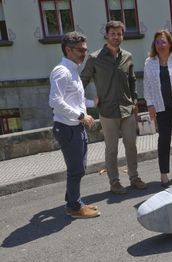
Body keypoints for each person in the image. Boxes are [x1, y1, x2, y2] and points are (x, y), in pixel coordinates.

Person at [81, 21, 146, 194]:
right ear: (107, 35)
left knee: (131, 145)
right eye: (113, 34)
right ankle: (114, 182)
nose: (116, 37)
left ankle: (134, 177)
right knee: (112, 149)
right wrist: (87, 101)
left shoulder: (128, 56)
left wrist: (134, 101)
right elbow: (81, 81)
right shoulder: (95, 58)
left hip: (127, 109)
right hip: (107, 111)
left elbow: (132, 80)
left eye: (119, 34)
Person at [49, 31, 100, 218]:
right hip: (67, 127)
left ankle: (73, 200)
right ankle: (74, 207)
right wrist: (81, 116)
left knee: (79, 168)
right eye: (80, 50)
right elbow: (55, 101)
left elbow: (73, 100)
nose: (84, 53)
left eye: (85, 49)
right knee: (76, 169)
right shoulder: (61, 72)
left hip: (74, 126)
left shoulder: (73, 70)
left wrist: (91, 104)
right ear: (68, 50)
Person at [143, 30, 172, 186]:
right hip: (161, 107)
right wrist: (150, 104)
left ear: (169, 43)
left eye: (163, 41)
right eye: (157, 42)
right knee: (164, 140)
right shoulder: (149, 62)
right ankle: (164, 174)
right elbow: (147, 85)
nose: (160, 45)